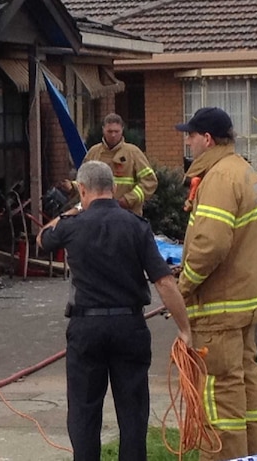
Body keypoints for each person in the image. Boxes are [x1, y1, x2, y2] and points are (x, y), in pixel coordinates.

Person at [36, 160, 192, 461]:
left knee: (83, 411)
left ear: (82, 190)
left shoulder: (71, 225)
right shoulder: (137, 227)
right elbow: (164, 282)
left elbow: (43, 238)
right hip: (129, 327)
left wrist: (71, 212)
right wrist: (184, 328)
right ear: (114, 188)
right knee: (133, 411)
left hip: (87, 328)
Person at [174, 107, 257, 460]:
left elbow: (210, 244)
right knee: (245, 389)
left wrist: (182, 288)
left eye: (191, 135)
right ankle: (254, 455)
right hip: (244, 306)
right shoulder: (244, 171)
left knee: (219, 398)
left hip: (219, 312)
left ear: (207, 139)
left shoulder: (218, 179)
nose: (187, 141)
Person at [60, 113, 157, 215]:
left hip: (127, 215)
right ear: (103, 130)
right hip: (97, 216)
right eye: (110, 131)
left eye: (116, 131)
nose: (113, 135)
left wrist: (128, 199)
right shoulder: (94, 153)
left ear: (122, 130)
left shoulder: (133, 153)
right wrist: (72, 186)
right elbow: (84, 180)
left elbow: (149, 181)